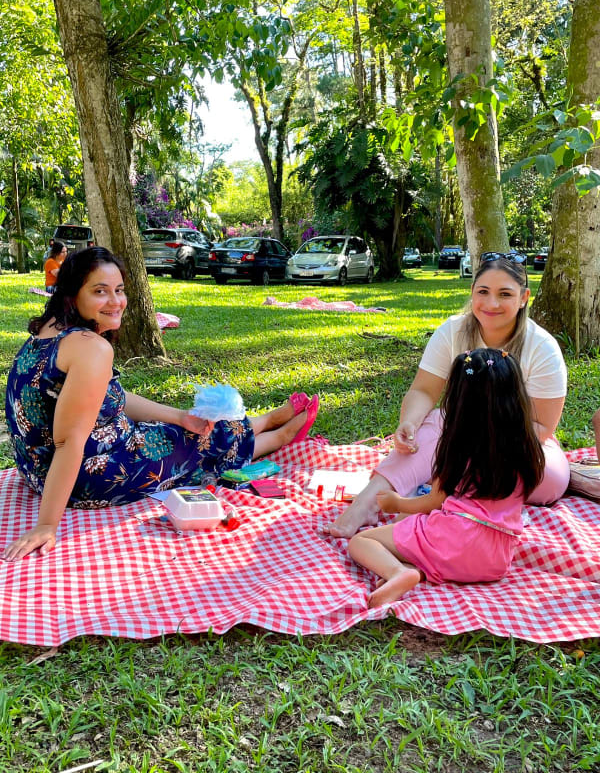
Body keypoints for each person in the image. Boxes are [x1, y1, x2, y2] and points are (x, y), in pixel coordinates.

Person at [4, 246, 319, 561]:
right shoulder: (90, 348)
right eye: (100, 291)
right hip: (86, 477)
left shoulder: (50, 331)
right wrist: (46, 524)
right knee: (203, 439)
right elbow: (67, 441)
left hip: (37, 471)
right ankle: (278, 435)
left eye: (119, 290)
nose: (115, 302)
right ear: (73, 295)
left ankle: (263, 421)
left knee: (187, 427)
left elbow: (109, 398)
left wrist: (180, 416)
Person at [327, 251, 570, 538]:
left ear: (524, 297)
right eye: (484, 292)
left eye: (505, 294)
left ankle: (446, 493)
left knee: (552, 479)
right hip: (456, 433)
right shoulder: (452, 331)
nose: (492, 303)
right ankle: (367, 502)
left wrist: (483, 442)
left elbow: (541, 427)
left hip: (514, 444)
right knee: (430, 428)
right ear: (472, 292)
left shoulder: (542, 346)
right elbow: (423, 390)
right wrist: (410, 423)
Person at [348, 348, 546, 606]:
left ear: (459, 398)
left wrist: (397, 502)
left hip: (453, 539)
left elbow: (433, 502)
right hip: (495, 559)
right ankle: (418, 572)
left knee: (362, 542)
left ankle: (398, 572)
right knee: (417, 531)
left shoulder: (457, 445)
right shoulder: (527, 449)